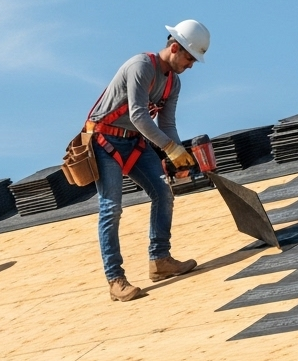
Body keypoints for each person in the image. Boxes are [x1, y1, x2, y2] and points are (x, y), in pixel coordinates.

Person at [88, 19, 210, 302]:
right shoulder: (141, 66)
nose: (191, 65)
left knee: (163, 194)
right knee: (111, 208)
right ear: (175, 47)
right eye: (190, 58)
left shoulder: (173, 83)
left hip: (134, 142)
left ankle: (160, 260)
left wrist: (178, 154)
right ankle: (115, 279)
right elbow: (138, 116)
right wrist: (170, 148)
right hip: (104, 141)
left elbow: (167, 125)